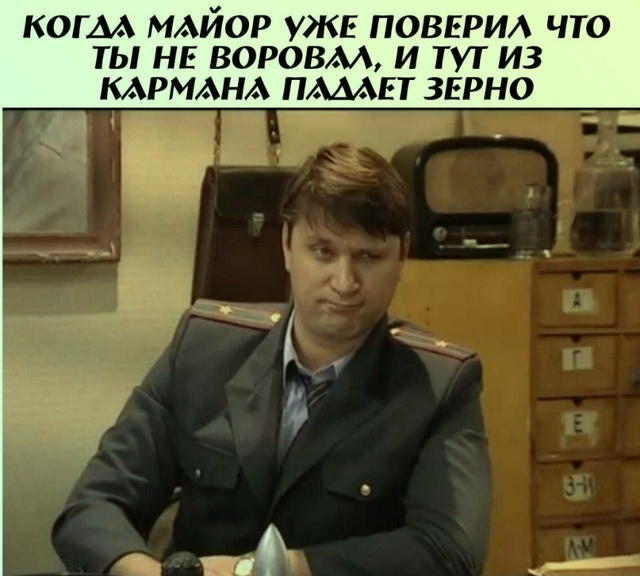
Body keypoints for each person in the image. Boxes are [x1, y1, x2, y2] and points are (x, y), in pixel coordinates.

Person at [52, 143, 492, 576]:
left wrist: (273, 569)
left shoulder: (440, 385)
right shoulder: (203, 348)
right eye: (323, 252)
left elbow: (449, 550)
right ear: (286, 244)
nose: (344, 282)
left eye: (368, 256)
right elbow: (93, 505)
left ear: (402, 257)